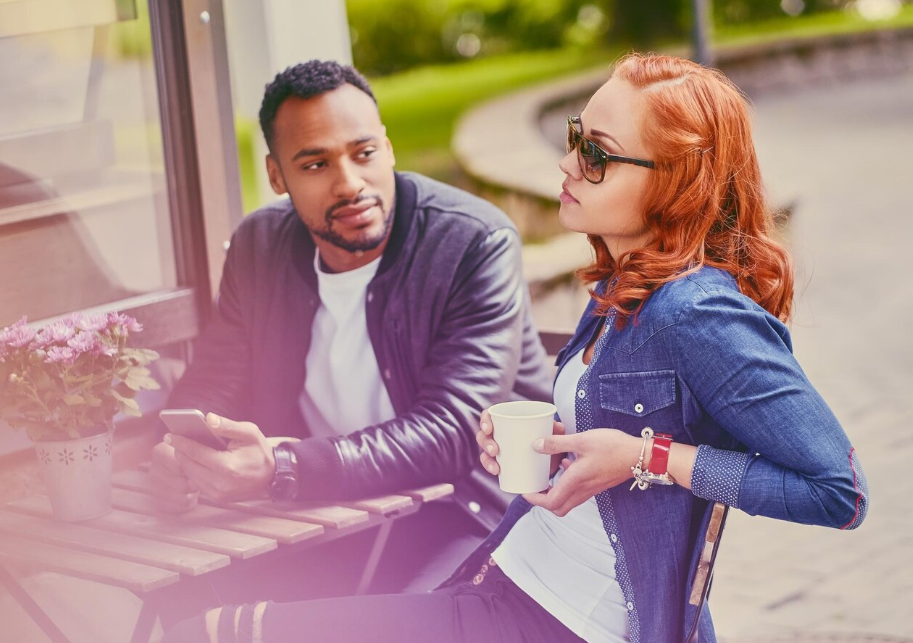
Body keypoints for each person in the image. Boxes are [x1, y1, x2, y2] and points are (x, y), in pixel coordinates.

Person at [161, 52, 869, 643]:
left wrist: (645, 457)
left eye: (595, 153)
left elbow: (836, 491)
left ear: (673, 187)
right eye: (574, 135)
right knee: (201, 620)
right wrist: (555, 444)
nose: (565, 160)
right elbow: (620, 433)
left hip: (557, 619)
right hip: (505, 577)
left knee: (211, 631)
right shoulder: (624, 284)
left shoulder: (696, 312)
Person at [150, 60, 551, 599]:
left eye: (363, 154)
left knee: (397, 628)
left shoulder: (472, 243)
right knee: (187, 607)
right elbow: (215, 379)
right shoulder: (259, 247)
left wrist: (285, 467)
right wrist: (181, 453)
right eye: (315, 165)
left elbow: (456, 430)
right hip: (325, 516)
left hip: (468, 512)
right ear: (277, 176)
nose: (350, 184)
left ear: (387, 147)